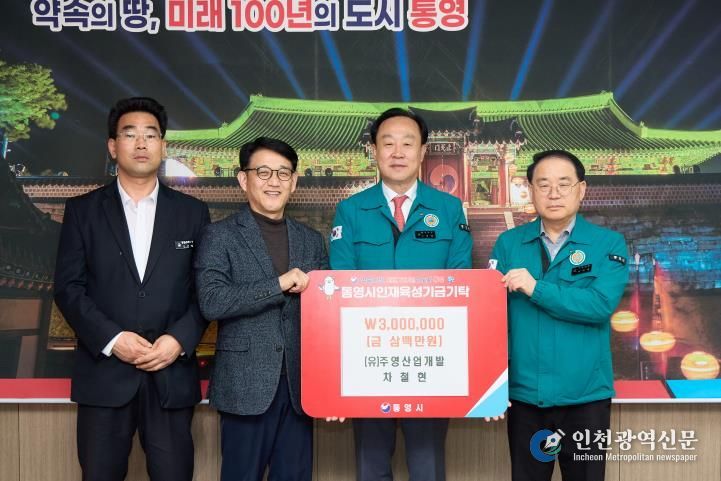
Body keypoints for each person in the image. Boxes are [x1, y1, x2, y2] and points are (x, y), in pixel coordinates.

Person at [54, 97, 210, 481]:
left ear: (163, 146)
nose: (141, 143)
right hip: (104, 376)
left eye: (150, 135)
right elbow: (68, 288)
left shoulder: (192, 213)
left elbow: (205, 290)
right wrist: (113, 339)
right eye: (130, 134)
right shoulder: (82, 211)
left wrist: (179, 339)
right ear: (113, 146)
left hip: (170, 373)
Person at [329, 108, 472, 481]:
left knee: (427, 468)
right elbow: (339, 288)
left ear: (422, 151)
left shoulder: (448, 209)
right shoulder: (350, 210)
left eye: (407, 143)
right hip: (367, 361)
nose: (397, 152)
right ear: (374, 151)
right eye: (387, 143)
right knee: (370, 467)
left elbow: (461, 281)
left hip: (430, 362)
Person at [489, 149, 629, 481]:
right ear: (530, 190)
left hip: (585, 398)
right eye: (543, 184)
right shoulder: (509, 244)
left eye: (564, 184)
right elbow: (491, 318)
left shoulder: (608, 244)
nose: (554, 193)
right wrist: (488, 387)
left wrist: (535, 288)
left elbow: (599, 305)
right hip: (526, 397)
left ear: (581, 189)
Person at [195, 137, 328, 481]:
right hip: (245, 386)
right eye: (264, 172)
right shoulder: (219, 235)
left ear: (294, 181)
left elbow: (325, 315)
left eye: (283, 173)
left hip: (300, 389)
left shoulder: (312, 240)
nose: (274, 181)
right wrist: (278, 284)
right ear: (244, 179)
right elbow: (212, 301)